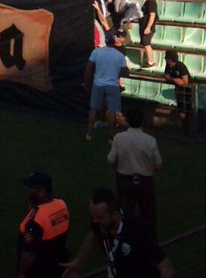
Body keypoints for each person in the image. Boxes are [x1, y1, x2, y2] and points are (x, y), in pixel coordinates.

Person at [61, 188, 173, 278]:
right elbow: (94, 234)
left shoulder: (138, 230)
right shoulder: (101, 225)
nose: (95, 221)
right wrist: (79, 261)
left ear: (115, 214)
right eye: (93, 216)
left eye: (99, 217)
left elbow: (166, 268)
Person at [107, 106, 163, 239]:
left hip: (125, 180)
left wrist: (119, 164)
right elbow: (159, 165)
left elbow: (110, 160)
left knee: (125, 213)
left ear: (127, 120)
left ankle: (125, 239)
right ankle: (149, 240)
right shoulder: (150, 140)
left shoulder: (119, 138)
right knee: (148, 214)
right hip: (145, 182)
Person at [16, 171, 69, 278]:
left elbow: (29, 254)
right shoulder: (61, 205)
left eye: (30, 187)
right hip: (59, 266)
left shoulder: (35, 221)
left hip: (40, 271)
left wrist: (21, 274)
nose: (26, 189)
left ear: (41, 191)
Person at [84, 30, 130, 141]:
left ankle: (89, 133)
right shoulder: (119, 55)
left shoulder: (96, 52)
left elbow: (88, 69)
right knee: (112, 111)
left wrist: (87, 83)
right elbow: (125, 73)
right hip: (113, 86)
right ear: (114, 40)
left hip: (98, 84)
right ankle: (111, 137)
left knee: (93, 109)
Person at [163, 51, 193, 133]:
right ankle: (184, 128)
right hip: (178, 90)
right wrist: (175, 80)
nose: (166, 60)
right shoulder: (168, 66)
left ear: (170, 59)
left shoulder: (181, 66)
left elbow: (185, 82)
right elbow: (166, 76)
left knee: (186, 110)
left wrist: (172, 79)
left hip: (186, 92)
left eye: (167, 59)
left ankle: (188, 129)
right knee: (181, 109)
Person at [138, 0, 157, 68]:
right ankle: (149, 60)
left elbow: (152, 15)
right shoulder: (147, 2)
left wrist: (148, 27)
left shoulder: (151, 2)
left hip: (147, 27)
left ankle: (150, 62)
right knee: (145, 44)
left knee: (147, 44)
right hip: (144, 26)